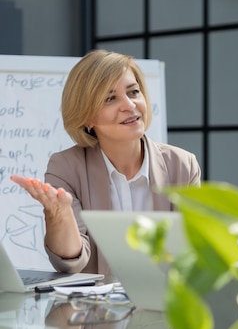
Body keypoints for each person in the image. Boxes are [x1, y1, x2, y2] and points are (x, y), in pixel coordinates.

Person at [11, 49, 201, 275]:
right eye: (110, 98)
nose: (129, 105)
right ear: (87, 117)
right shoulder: (66, 167)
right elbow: (71, 262)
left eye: (133, 92)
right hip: (96, 309)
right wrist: (59, 215)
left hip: (163, 303)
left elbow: (192, 253)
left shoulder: (182, 165)